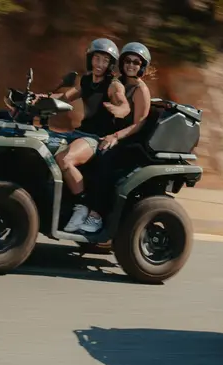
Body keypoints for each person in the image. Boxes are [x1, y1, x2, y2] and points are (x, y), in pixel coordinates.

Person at [41, 38, 131, 232]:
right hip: (78, 133)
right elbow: (65, 97)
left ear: (110, 64)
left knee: (64, 160)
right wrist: (40, 98)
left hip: (94, 139)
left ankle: (82, 206)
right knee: (43, 146)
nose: (100, 64)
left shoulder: (113, 85)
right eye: (97, 58)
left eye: (105, 60)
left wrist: (120, 110)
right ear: (90, 59)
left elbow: (123, 104)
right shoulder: (86, 80)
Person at [77, 42, 154, 234]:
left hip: (131, 141)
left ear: (142, 66)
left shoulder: (140, 89)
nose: (131, 65)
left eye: (136, 62)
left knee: (104, 162)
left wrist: (115, 136)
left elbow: (139, 124)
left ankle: (96, 215)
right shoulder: (119, 82)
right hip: (114, 136)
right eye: (127, 60)